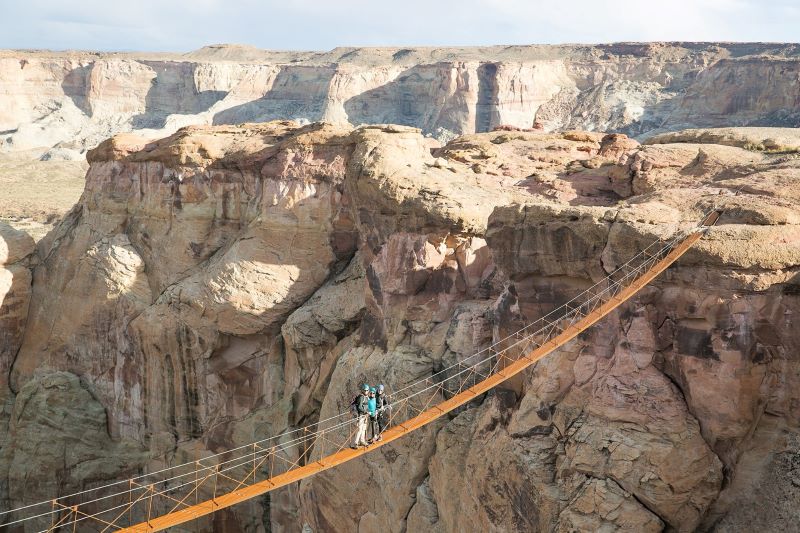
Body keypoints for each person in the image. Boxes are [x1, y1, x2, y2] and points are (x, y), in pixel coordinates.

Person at [351, 383, 370, 449]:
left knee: (364, 429)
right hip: (361, 415)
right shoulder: (361, 397)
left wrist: (368, 411)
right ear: (362, 390)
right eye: (365, 390)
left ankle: (362, 441)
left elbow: (367, 405)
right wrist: (366, 411)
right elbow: (359, 407)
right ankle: (355, 443)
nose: (366, 392)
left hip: (365, 416)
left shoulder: (367, 397)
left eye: (367, 390)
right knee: (359, 429)